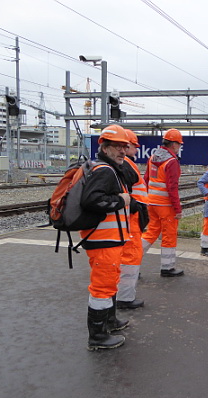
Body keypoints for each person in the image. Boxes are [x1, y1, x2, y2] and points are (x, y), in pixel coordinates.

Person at [79, 125, 132, 351]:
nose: (122, 151)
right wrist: (122, 200)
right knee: (102, 286)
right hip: (103, 240)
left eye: (124, 147)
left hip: (110, 239)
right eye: (117, 147)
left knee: (110, 281)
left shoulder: (109, 168)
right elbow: (91, 201)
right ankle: (98, 337)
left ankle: (109, 321)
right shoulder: (104, 171)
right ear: (104, 147)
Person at [142, 128, 184, 277]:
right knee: (169, 235)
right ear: (173, 144)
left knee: (151, 232)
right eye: (179, 145)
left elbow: (146, 180)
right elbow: (172, 188)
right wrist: (177, 209)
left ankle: (131, 259)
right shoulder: (171, 162)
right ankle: (167, 267)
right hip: (165, 206)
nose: (179, 148)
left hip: (151, 203)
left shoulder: (152, 157)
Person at [117, 129, 148, 309]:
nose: (136, 150)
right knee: (131, 255)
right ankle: (125, 298)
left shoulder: (126, 164)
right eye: (134, 147)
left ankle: (124, 295)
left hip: (131, 217)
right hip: (131, 219)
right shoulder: (126, 165)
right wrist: (137, 206)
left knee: (129, 254)